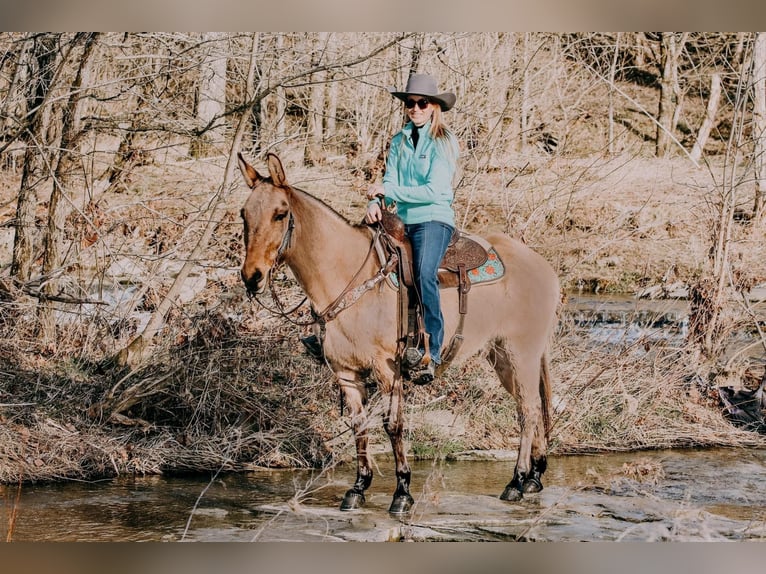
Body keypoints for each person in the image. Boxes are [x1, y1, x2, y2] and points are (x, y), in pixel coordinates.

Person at [365, 73, 460, 385]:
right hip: (403, 219)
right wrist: (377, 200)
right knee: (364, 255)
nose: (415, 108)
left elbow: (434, 191)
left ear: (434, 106)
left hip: (433, 218)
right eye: (410, 103)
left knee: (422, 273)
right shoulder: (399, 140)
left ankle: (432, 350)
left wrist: (392, 192)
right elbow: (390, 180)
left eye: (422, 103)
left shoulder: (443, 141)